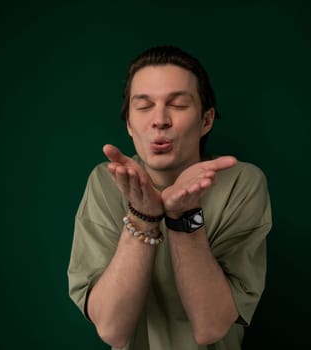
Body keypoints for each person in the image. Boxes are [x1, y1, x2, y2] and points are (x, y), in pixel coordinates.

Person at [68, 46, 272, 349]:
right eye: (144, 106)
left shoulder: (241, 182)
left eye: (177, 105)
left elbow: (211, 326)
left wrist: (184, 215)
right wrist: (143, 216)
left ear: (206, 120)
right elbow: (112, 329)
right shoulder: (106, 181)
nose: (160, 120)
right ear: (128, 124)